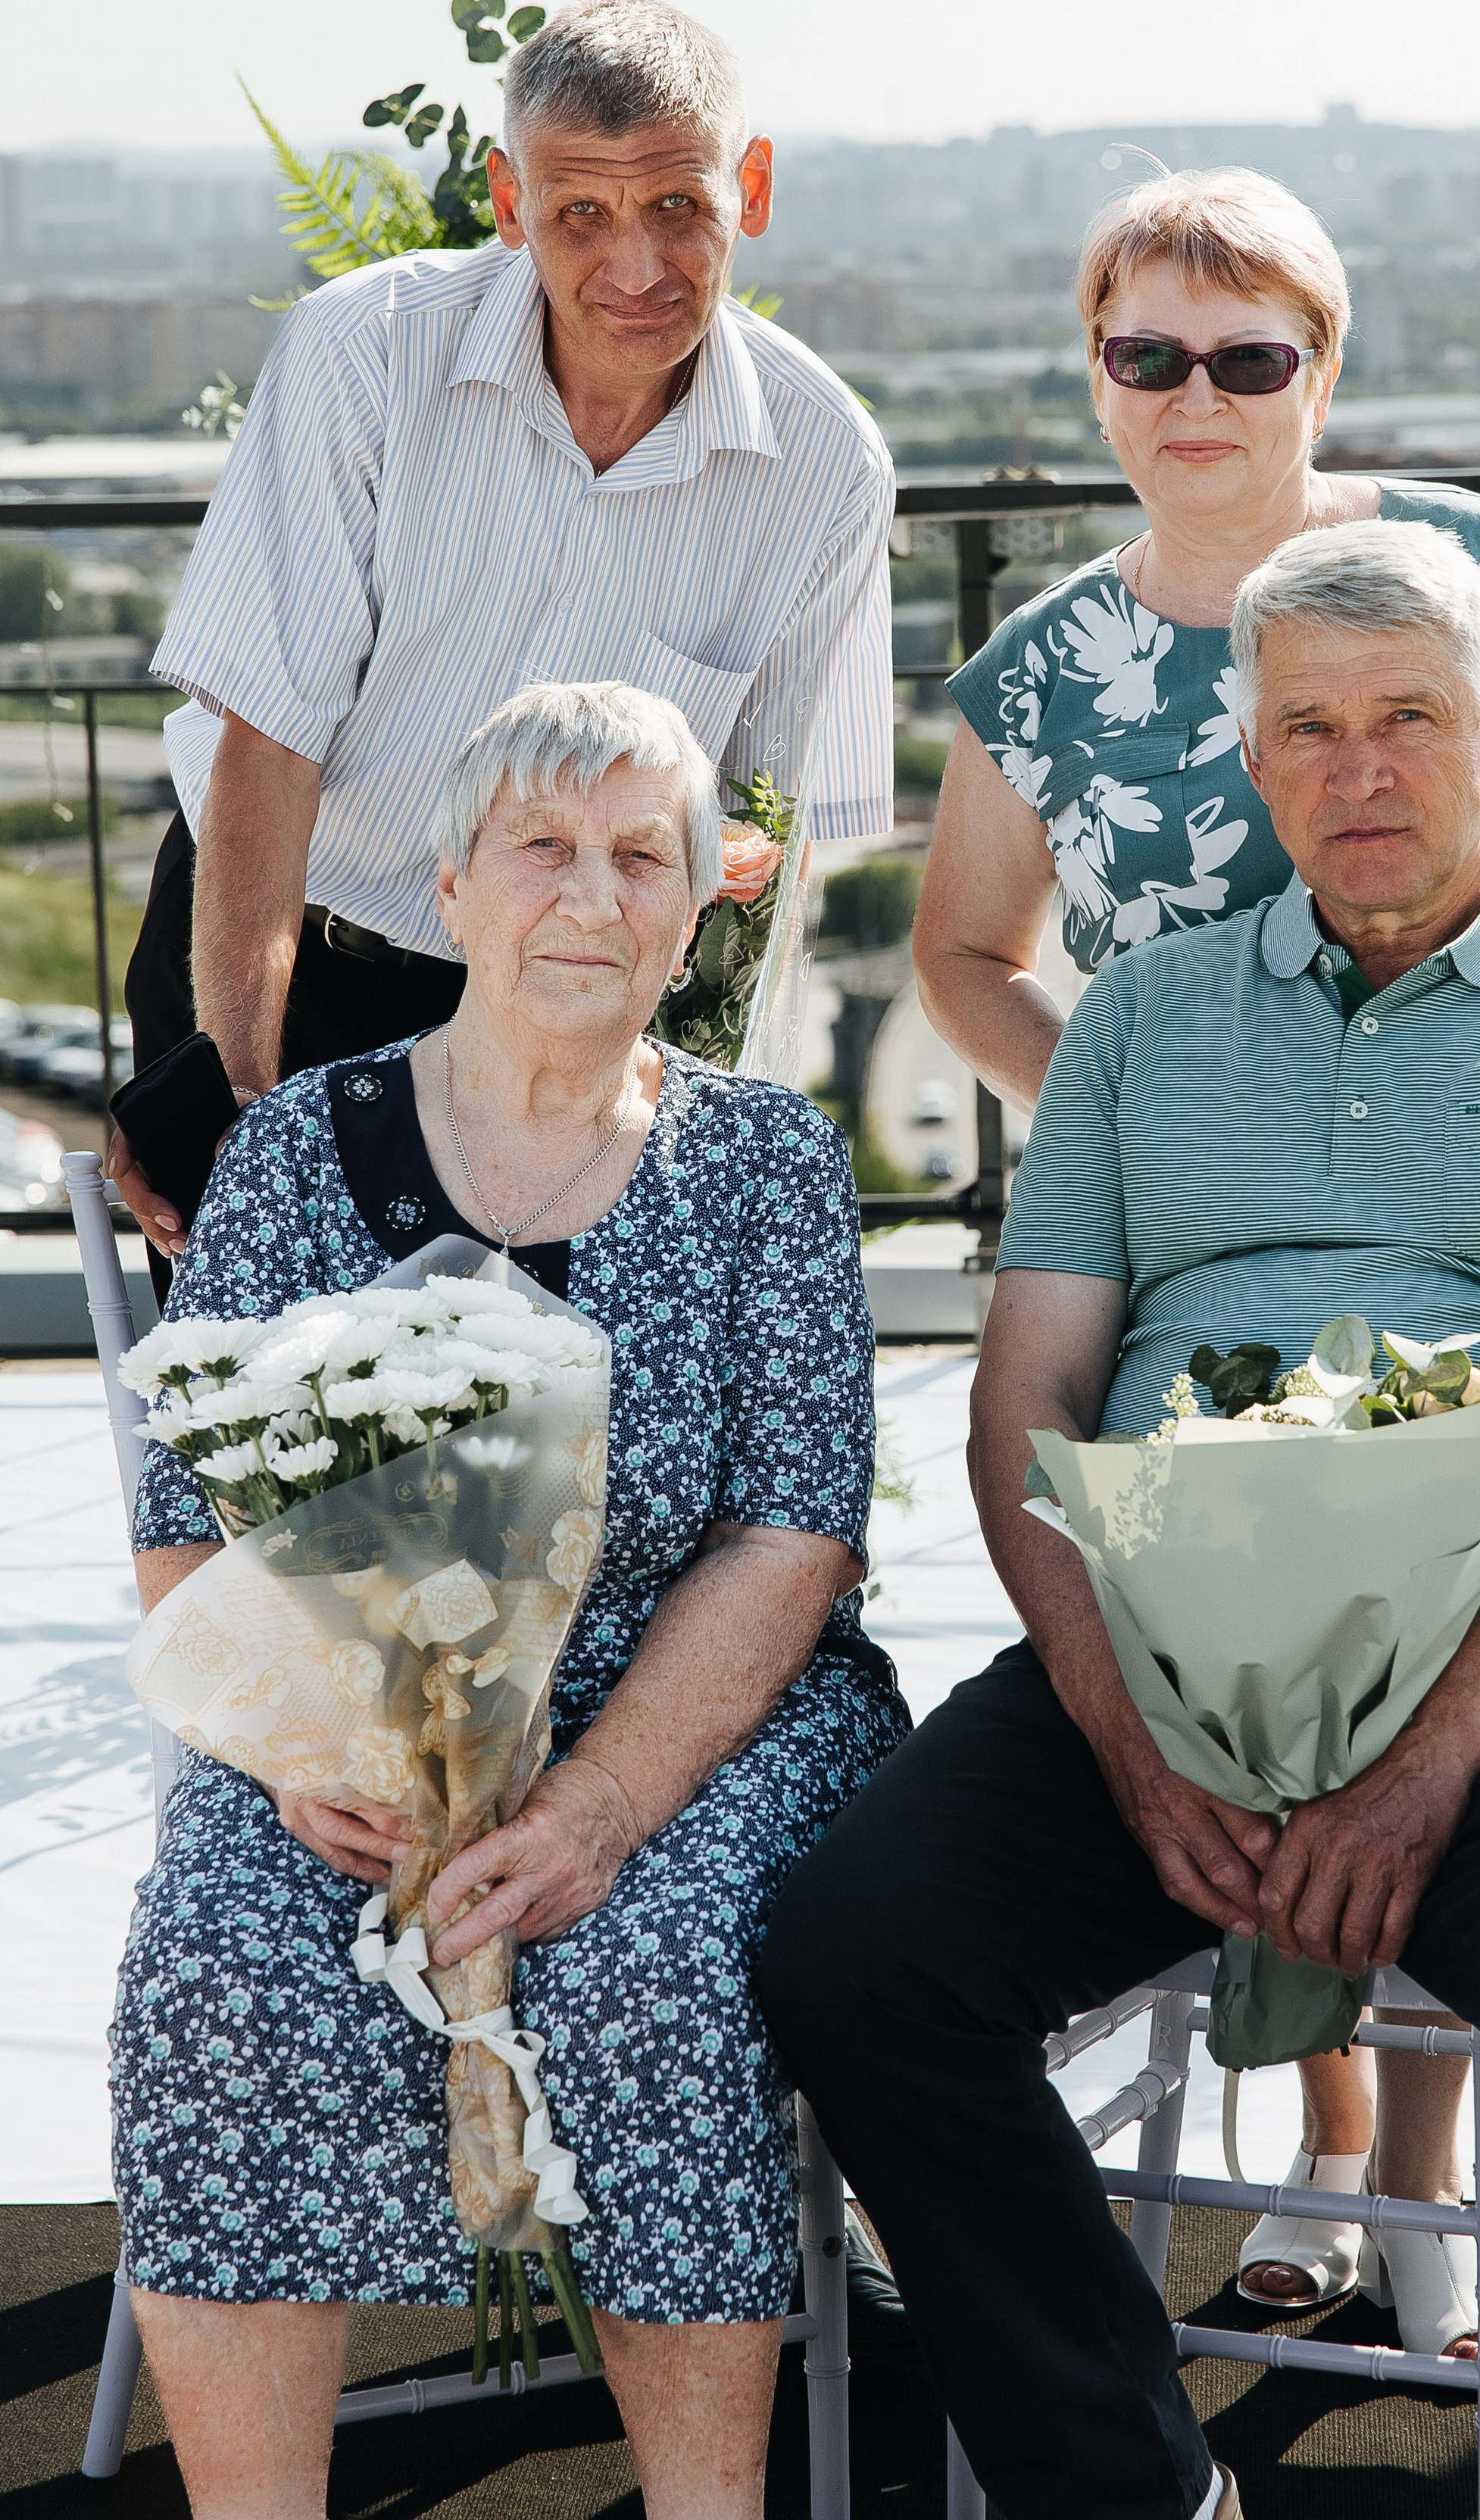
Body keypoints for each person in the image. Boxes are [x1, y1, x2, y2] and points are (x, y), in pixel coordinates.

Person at [760, 520, 1480, 2520]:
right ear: (1251, 760)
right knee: (856, 1947)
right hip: (1162, 1659)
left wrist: (1426, 1769)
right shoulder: (1143, 1017)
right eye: (1308, 727)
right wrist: (1125, 1738)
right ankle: (1134, 2488)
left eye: (1410, 717)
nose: (1360, 768)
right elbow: (1025, 1396)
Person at [911, 165, 1480, 2323]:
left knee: (1447, 1575)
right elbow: (962, 950)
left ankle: (1414, 2150)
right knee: (1246, 1606)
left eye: (1247, 355)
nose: (1196, 395)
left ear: (1320, 371)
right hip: (1200, 1269)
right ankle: (1329, 2128)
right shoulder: (1041, 675)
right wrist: (1135, 1122)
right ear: (1094, 374)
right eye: (1146, 352)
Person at [112, 681, 908, 2520]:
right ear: (451, 884)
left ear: (700, 905)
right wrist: (310, 1753)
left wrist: (593, 1806)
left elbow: (791, 1536)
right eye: (541, 848)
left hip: (700, 1719)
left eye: (643, 857)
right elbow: (185, 1526)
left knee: (652, 1967)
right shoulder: (293, 1153)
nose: (590, 896)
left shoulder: (763, 1163)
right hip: (349, 1731)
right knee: (222, 1955)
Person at [119, 0, 894, 1265]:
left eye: (678, 206)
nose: (636, 268)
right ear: (508, 198)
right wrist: (240, 1099)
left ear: (750, 188)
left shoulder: (829, 465)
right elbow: (269, 747)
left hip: (567, 1021)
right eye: (582, 213)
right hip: (277, 958)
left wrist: (710, 1130)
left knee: (549, 1398)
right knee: (272, 1390)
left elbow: (762, 839)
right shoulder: (363, 353)